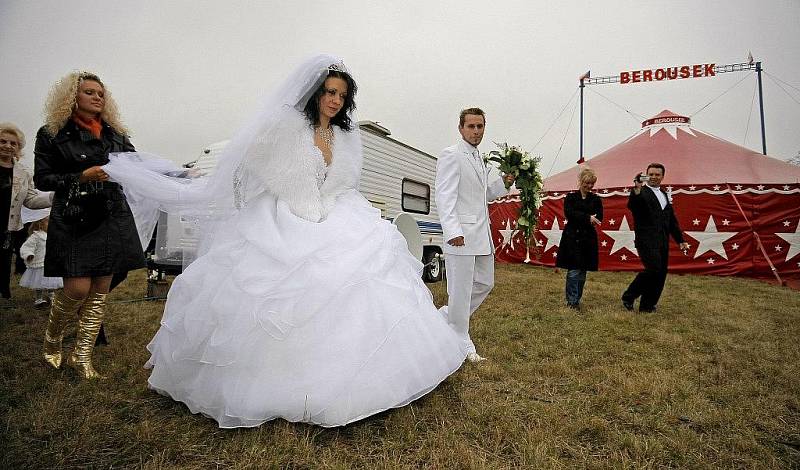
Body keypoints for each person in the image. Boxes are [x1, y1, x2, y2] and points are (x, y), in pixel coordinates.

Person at [102, 54, 467, 428]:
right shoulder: (287, 127)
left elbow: (343, 180)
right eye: (328, 91)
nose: (334, 100)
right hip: (285, 215)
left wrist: (326, 206)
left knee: (359, 280)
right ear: (315, 93)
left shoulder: (345, 135)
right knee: (281, 292)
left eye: (341, 94)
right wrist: (295, 200)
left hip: (336, 213)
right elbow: (255, 162)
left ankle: (367, 374)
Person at [34, 71, 144, 379]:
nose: (97, 97)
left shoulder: (116, 135)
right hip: (74, 216)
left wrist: (179, 178)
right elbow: (43, 179)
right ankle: (52, 340)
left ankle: (82, 358)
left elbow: (140, 168)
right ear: (72, 97)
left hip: (110, 213)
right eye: (89, 92)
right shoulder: (51, 133)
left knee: (100, 290)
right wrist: (81, 177)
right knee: (77, 288)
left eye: (100, 93)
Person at [435, 108, 514, 363]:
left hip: (481, 236)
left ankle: (447, 318)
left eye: (480, 126)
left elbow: (482, 197)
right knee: (460, 290)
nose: (476, 131)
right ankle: (461, 341)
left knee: (484, 283)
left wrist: (503, 183)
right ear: (461, 128)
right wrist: (453, 231)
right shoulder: (452, 155)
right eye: (471, 126)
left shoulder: (479, 158)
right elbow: (444, 196)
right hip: (461, 236)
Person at [621, 163, 688, 313]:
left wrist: (680, 240)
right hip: (646, 240)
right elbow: (633, 205)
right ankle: (629, 296)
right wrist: (637, 189)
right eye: (650, 174)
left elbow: (671, 220)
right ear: (646, 175)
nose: (653, 177)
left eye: (657, 175)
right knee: (653, 270)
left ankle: (647, 305)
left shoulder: (664, 194)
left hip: (662, 240)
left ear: (662, 177)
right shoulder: (641, 192)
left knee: (661, 273)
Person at [0, 123, 53, 308]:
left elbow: (31, 200)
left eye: (13, 143)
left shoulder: (23, 172)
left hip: (8, 229)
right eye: (3, 141)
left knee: (3, 267)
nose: (8, 146)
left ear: (18, 148)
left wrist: (56, 196)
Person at [555, 167, 603, 310]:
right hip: (572, 237)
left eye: (592, 184)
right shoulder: (571, 198)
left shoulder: (596, 199)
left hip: (588, 239)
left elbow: (599, 218)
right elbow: (569, 214)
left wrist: (582, 216)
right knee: (574, 270)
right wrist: (588, 217)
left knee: (583, 271)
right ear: (580, 181)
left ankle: (577, 298)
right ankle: (572, 301)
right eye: (586, 183)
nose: (589, 186)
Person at [19, 212, 63, 309]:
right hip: (39, 264)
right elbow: (26, 247)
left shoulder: (52, 235)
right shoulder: (36, 236)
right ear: (40, 224)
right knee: (39, 282)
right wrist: (28, 254)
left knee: (51, 281)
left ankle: (51, 295)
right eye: (48, 222)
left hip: (50, 263)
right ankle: (39, 299)